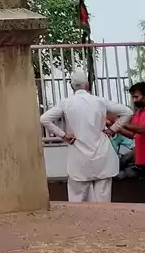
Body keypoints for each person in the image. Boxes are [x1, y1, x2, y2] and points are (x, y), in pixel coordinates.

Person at [40, 69, 132, 203]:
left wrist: (63, 135)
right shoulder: (100, 101)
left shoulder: (66, 103)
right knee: (103, 199)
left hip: (79, 158)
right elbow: (127, 112)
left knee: (77, 200)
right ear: (87, 86)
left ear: (71, 86)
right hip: (102, 156)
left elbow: (44, 119)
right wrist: (113, 129)